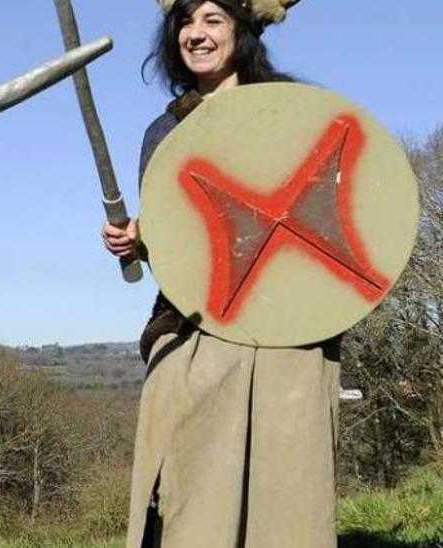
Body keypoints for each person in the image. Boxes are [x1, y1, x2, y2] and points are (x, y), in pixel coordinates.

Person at [102, 1, 341, 547]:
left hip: (289, 335)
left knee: (285, 498)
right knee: (186, 491)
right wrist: (137, 241)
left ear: (242, 30)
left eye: (212, 19)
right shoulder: (164, 130)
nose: (196, 34)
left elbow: (328, 224)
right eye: (185, 21)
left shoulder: (292, 113)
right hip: (194, 330)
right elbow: (179, 243)